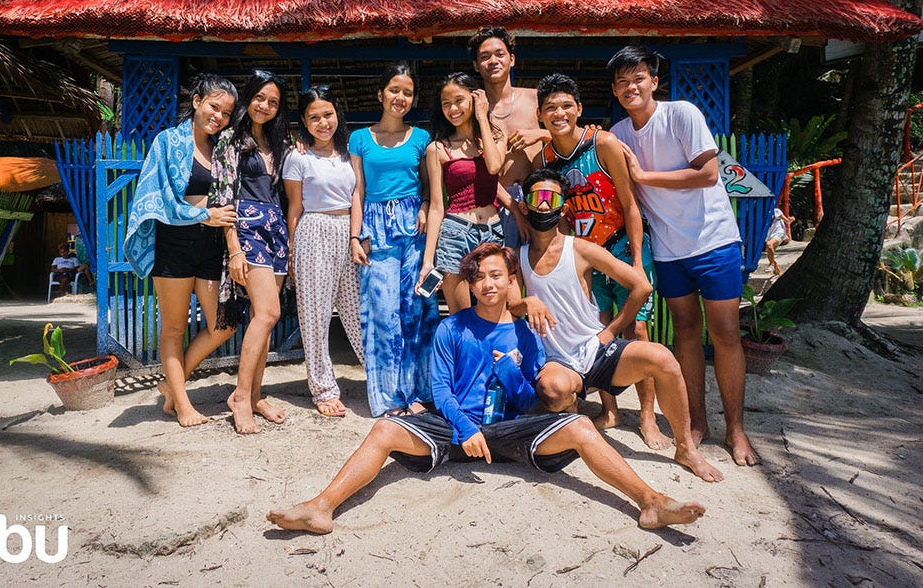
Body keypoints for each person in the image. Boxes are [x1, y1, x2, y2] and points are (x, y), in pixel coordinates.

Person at [267, 243, 707, 535]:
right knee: (384, 429)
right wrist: (461, 425)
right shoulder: (452, 327)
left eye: (498, 275)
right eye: (480, 278)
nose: (489, 283)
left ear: (510, 281)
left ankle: (651, 502)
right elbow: (440, 388)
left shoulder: (526, 332)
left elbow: (529, 399)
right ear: (471, 285)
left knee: (579, 425)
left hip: (511, 431)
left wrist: (512, 372)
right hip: (457, 430)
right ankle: (321, 506)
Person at [515, 169, 722, 482]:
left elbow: (641, 286)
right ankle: (574, 417)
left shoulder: (580, 249)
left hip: (597, 350)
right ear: (525, 206)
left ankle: (685, 448)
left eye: (552, 198)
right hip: (559, 362)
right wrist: (524, 303)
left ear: (564, 207)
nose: (544, 206)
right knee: (552, 389)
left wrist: (610, 331)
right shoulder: (517, 257)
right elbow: (502, 305)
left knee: (663, 358)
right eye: (537, 198)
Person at [608, 45, 760, 466]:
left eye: (638, 77)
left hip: (713, 241)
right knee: (685, 334)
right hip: (670, 250)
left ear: (654, 81)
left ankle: (736, 429)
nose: (630, 86)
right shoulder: (618, 134)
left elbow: (708, 173)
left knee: (726, 333)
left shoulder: (682, 113)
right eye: (621, 81)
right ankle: (697, 422)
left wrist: (643, 175)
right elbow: (577, 136)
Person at [531, 74, 670, 450]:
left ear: (579, 109)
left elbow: (629, 203)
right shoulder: (545, 157)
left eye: (565, 106)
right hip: (584, 258)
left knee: (637, 333)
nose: (559, 113)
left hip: (621, 248)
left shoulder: (604, 143)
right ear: (540, 115)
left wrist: (640, 261)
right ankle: (610, 410)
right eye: (550, 108)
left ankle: (646, 417)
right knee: (598, 334)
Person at [124, 73, 239, 427]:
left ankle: (171, 388)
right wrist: (204, 214)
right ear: (196, 102)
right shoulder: (167, 142)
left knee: (225, 324)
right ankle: (184, 405)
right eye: (213, 107)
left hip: (212, 244)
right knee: (174, 329)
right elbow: (155, 197)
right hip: (174, 241)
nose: (218, 117)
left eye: (225, 113)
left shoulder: (223, 147)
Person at [349, 63, 440, 417]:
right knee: (383, 312)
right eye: (394, 90)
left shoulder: (421, 139)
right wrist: (356, 236)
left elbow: (431, 185)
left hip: (414, 227)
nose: (400, 97)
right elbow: (358, 190)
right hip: (375, 226)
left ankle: (419, 392)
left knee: (418, 308)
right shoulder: (359, 138)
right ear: (380, 94)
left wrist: (427, 204)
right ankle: (388, 398)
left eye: (407, 93)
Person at [210, 70, 292, 434]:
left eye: (273, 102)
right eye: (260, 98)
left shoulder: (279, 141)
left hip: (275, 230)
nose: (265, 106)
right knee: (268, 312)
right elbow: (223, 197)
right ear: (248, 98)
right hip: (246, 226)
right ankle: (240, 396)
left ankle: (256, 394)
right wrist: (234, 250)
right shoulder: (230, 138)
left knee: (266, 316)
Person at [283, 86, 365, 417]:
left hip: (348, 233)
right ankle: (323, 387)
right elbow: (294, 207)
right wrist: (291, 251)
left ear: (337, 114)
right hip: (313, 232)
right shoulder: (298, 157)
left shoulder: (350, 154)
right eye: (313, 117)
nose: (322, 122)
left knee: (359, 311)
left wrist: (355, 236)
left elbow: (358, 194)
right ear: (304, 121)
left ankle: (378, 378)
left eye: (327, 114)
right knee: (315, 315)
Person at [418, 72, 506, 313]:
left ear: (475, 98)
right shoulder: (437, 148)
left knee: (493, 312)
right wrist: (428, 261)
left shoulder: (497, 136)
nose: (452, 109)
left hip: (492, 231)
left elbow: (494, 166)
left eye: (459, 100)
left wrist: (482, 116)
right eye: (446, 103)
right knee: (461, 316)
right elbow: (437, 206)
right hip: (455, 231)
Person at [468, 27, 546, 246]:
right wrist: (515, 209)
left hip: (540, 195)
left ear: (511, 59)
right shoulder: (475, 110)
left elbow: (569, 136)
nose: (493, 60)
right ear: (476, 65)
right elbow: (479, 168)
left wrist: (541, 133)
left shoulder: (535, 98)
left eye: (500, 54)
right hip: (498, 201)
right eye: (485, 57)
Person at [765, 207, 795, 276]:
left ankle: (772, 265)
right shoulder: (762, 213)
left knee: (769, 245)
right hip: (769, 235)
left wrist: (790, 219)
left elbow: (787, 221)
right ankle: (779, 272)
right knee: (770, 255)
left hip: (779, 233)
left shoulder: (776, 211)